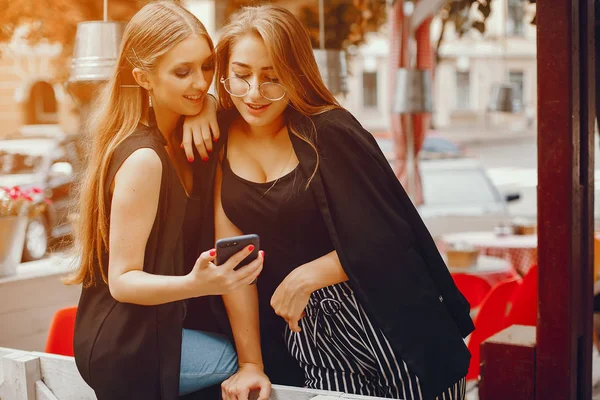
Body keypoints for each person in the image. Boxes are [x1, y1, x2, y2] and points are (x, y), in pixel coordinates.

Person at [183, 5, 474, 400]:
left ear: (296, 74)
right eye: (241, 75)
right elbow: (234, 264)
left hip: (388, 315)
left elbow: (392, 233)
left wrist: (310, 274)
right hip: (309, 338)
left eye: (272, 78)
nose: (254, 93)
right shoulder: (221, 141)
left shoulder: (331, 130)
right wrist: (251, 363)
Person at [64, 2, 269, 399]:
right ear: (143, 77)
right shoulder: (143, 158)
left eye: (207, 67)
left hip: (161, 325)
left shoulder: (185, 135)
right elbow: (123, 282)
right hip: (124, 341)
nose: (201, 82)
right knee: (249, 362)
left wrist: (206, 105)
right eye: (182, 72)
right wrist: (195, 284)